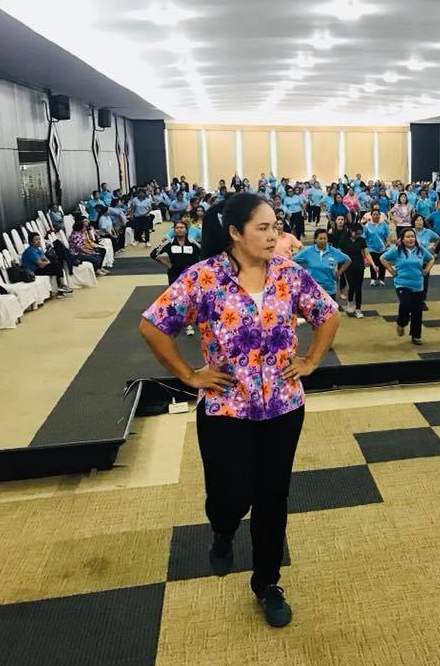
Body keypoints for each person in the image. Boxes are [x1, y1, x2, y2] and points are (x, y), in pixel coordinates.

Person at [139, 193, 339, 628]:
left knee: (273, 496)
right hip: (226, 409)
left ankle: (267, 582)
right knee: (230, 495)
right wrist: (189, 375)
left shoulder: (289, 274)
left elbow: (328, 314)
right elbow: (152, 325)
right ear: (234, 232)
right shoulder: (204, 278)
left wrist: (310, 360)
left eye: (275, 227)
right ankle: (223, 528)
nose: (273, 236)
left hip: (283, 407)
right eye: (262, 228)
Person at [380, 227, 434, 345]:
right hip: (402, 283)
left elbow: (431, 259)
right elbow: (382, 258)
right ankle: (401, 323)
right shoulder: (397, 250)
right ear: (402, 239)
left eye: (412, 236)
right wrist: (391, 271)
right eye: (408, 237)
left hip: (418, 284)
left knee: (417, 311)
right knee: (405, 303)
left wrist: (426, 270)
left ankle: (416, 336)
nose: (410, 239)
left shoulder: (421, 250)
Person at [150, 220, 202, 335]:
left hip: (190, 277)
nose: (179, 229)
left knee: (191, 300)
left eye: (182, 227)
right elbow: (153, 254)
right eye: (177, 228)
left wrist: (197, 268)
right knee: (176, 300)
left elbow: (203, 254)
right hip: (174, 275)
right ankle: (175, 323)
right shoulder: (169, 243)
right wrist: (167, 264)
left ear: (186, 230)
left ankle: (190, 324)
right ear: (174, 230)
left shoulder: (193, 242)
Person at [293, 229, 351, 307]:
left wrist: (339, 273)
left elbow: (348, 260)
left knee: (330, 313)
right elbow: (293, 260)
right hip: (313, 289)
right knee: (314, 312)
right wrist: (301, 274)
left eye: (325, 238)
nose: (323, 241)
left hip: (329, 289)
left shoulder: (333, 251)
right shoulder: (308, 251)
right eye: (320, 238)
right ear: (315, 239)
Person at [20, 232, 72, 297]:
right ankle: (61, 287)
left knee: (57, 265)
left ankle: (61, 287)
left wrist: (46, 262)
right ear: (31, 242)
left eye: (39, 239)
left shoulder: (38, 249)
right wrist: (46, 262)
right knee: (56, 268)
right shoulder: (31, 251)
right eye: (36, 240)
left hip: (39, 268)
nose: (39, 241)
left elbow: (46, 260)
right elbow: (41, 264)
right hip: (33, 272)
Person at [338, 223, 372, 318]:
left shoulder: (361, 240)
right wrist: (337, 266)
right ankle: (350, 302)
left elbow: (367, 253)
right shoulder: (344, 239)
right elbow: (338, 253)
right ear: (351, 231)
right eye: (356, 233)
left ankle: (358, 309)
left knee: (358, 287)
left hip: (359, 265)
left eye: (360, 234)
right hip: (348, 265)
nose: (358, 235)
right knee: (352, 285)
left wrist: (373, 264)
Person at [412, 215, 439, 310]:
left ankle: (422, 301)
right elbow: (400, 241)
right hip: (412, 261)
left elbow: (438, 238)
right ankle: (413, 300)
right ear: (414, 222)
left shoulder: (428, 232)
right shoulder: (410, 232)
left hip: (424, 261)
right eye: (417, 220)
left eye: (421, 220)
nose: (419, 222)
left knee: (424, 282)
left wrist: (433, 247)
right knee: (413, 281)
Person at [363, 207, 390, 286]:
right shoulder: (367, 226)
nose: (376, 216)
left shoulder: (384, 224)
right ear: (371, 216)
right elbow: (364, 237)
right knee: (373, 264)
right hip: (371, 248)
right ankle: (373, 279)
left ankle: (381, 279)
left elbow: (388, 234)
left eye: (377, 214)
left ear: (379, 215)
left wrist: (388, 241)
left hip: (383, 248)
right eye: (374, 214)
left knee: (382, 264)